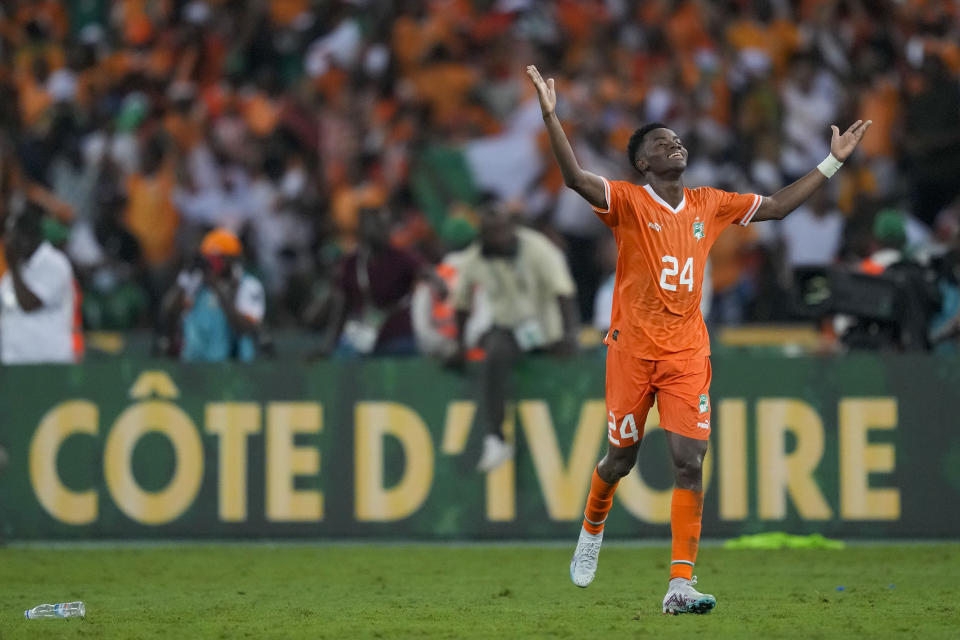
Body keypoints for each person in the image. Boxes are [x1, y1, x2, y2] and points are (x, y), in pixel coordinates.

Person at [527, 64, 871, 614]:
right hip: (632, 349)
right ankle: (592, 531)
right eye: (663, 142)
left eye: (677, 138)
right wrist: (552, 116)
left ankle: (680, 585)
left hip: (687, 350)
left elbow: (777, 207)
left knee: (691, 460)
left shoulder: (709, 203)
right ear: (644, 162)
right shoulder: (628, 202)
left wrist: (832, 162)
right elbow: (574, 178)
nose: (675, 143)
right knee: (620, 459)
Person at [450, 199, 578, 472]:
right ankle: (495, 438)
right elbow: (461, 303)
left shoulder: (537, 248)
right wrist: (459, 345)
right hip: (508, 329)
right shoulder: (475, 256)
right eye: (489, 231)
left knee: (558, 379)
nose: (496, 237)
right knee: (494, 353)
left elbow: (563, 291)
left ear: (512, 228)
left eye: (500, 229)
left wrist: (570, 334)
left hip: (547, 330)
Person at [321, 207, 444, 356]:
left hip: (397, 336)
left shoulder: (402, 257)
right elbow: (341, 306)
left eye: (385, 225)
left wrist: (439, 283)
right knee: (344, 357)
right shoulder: (350, 263)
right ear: (363, 230)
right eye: (377, 224)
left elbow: (427, 272)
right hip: (361, 337)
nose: (383, 229)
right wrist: (329, 345)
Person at [161, 228, 265, 362]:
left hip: (232, 363)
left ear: (232, 260)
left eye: (218, 259)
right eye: (209, 259)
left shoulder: (248, 285)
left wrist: (217, 287)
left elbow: (246, 328)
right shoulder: (195, 282)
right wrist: (186, 276)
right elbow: (168, 311)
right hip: (194, 360)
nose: (212, 264)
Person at [0, 206, 81, 364]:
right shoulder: (13, 273)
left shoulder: (55, 264)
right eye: (7, 235)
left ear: (31, 235)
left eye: (13, 235)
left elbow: (29, 304)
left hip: (48, 364)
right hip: (15, 363)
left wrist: (14, 268)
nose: (9, 242)